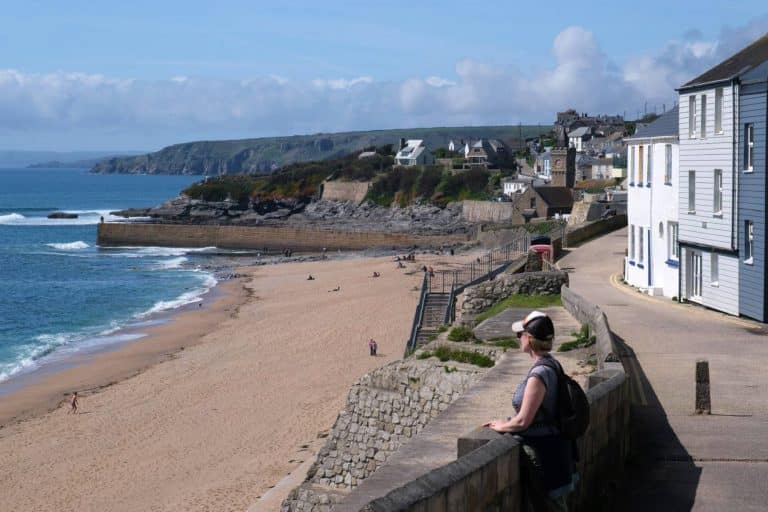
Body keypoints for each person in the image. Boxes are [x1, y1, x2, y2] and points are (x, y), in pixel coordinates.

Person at [484, 311, 576, 511]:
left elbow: (523, 422)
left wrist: (501, 425)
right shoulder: (552, 363)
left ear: (530, 338)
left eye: (520, 335)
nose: (518, 339)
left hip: (544, 457)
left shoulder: (539, 373)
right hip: (557, 452)